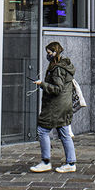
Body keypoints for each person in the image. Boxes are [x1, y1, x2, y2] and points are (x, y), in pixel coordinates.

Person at [29, 40, 76, 173]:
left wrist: (42, 84)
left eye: (49, 53)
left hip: (55, 106)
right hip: (64, 105)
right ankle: (71, 162)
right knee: (64, 133)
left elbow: (57, 88)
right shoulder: (65, 65)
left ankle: (46, 161)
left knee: (42, 130)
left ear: (55, 52)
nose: (48, 55)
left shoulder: (57, 69)